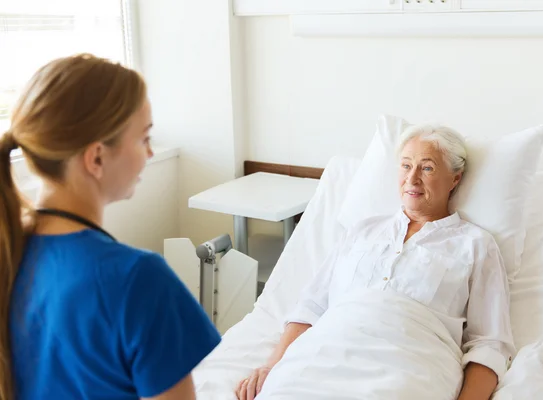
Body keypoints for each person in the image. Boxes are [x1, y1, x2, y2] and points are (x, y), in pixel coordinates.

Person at [237, 124, 516, 400]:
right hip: (323, 353)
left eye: (427, 168)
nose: (412, 178)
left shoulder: (475, 244)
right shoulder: (362, 230)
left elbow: (489, 344)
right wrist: (271, 365)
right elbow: (311, 306)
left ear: (455, 179)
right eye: (406, 166)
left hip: (411, 366)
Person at [0, 54, 220, 400]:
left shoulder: (10, 255)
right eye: (144, 138)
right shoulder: (138, 279)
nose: (149, 154)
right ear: (97, 157)